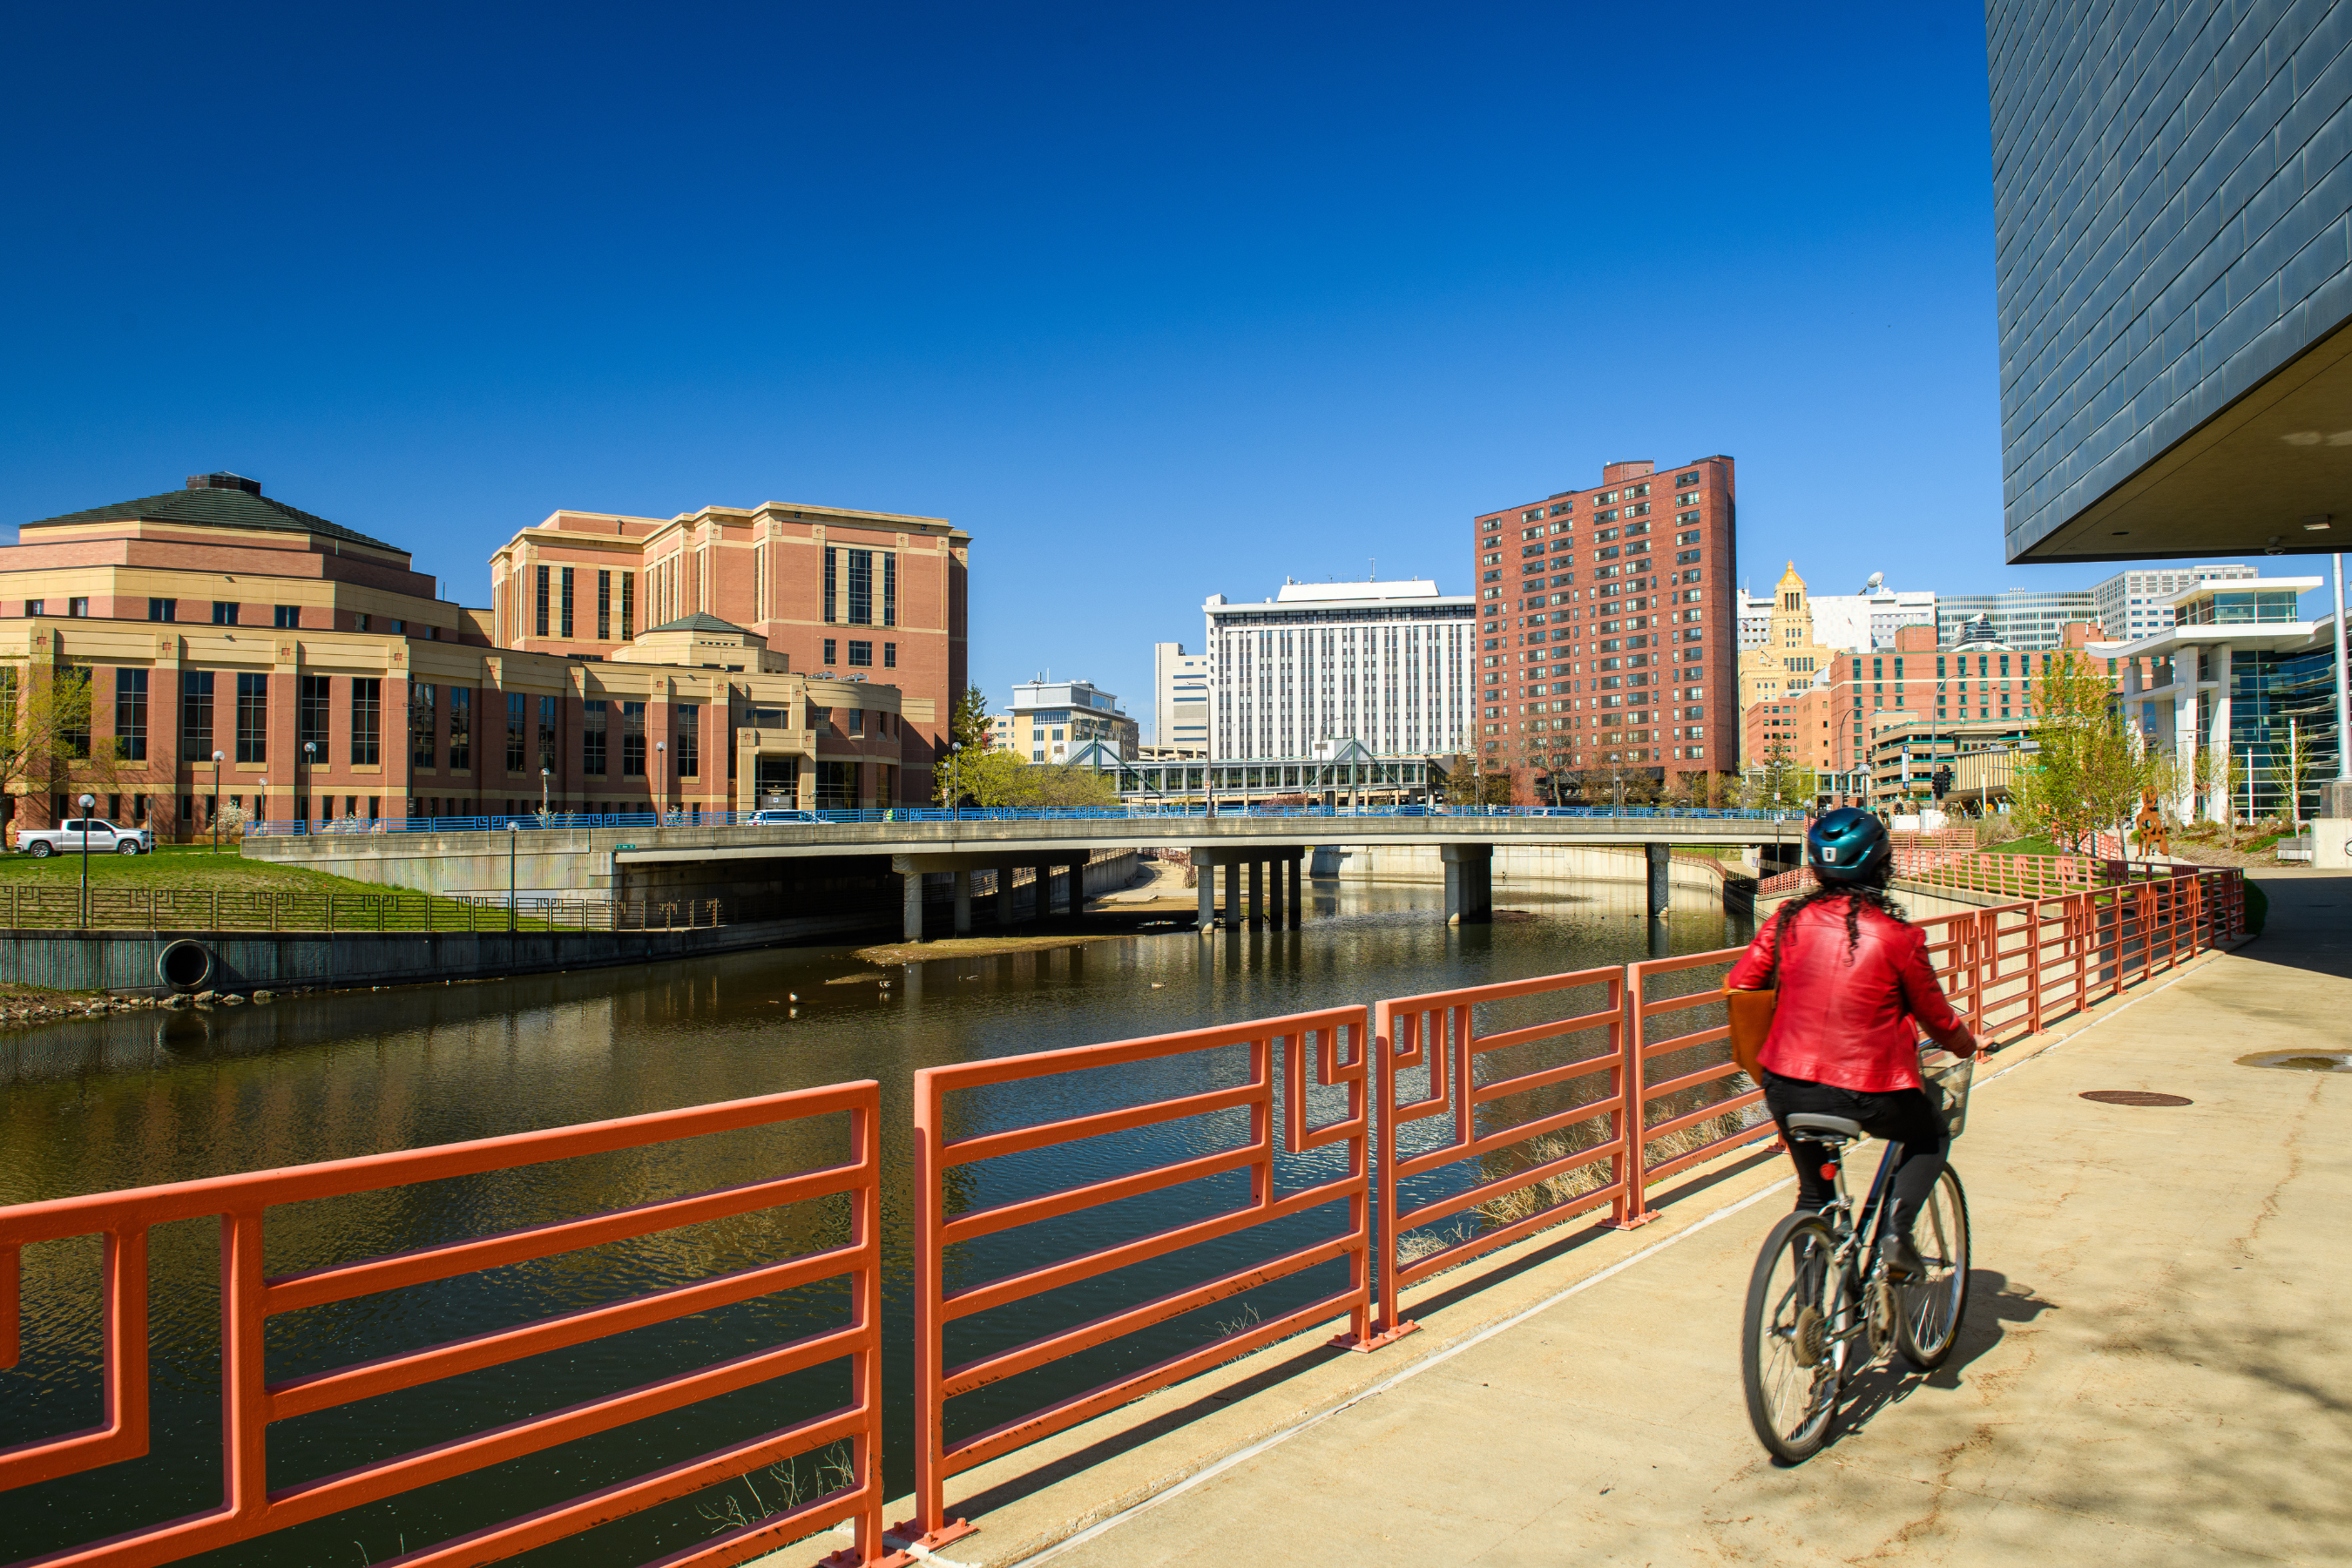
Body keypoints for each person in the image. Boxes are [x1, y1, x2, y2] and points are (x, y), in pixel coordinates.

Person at [1727, 808, 1977, 1278]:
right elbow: (1939, 1020)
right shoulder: (1900, 937)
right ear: (1882, 865)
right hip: (1871, 1091)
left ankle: (1811, 1326)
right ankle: (1896, 1236)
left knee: (1815, 1196)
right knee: (1930, 1134)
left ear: (1816, 867)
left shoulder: (1786, 920)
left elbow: (1742, 985)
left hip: (1786, 1084)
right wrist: (1968, 1043)